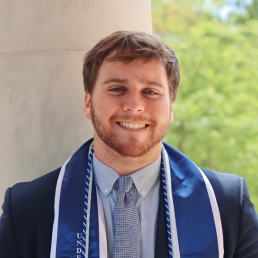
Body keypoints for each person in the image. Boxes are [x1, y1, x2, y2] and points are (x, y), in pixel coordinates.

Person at [0, 31, 258, 258]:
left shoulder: (225, 204)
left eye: (151, 92)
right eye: (116, 89)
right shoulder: (27, 208)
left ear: (170, 110)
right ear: (88, 103)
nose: (134, 105)